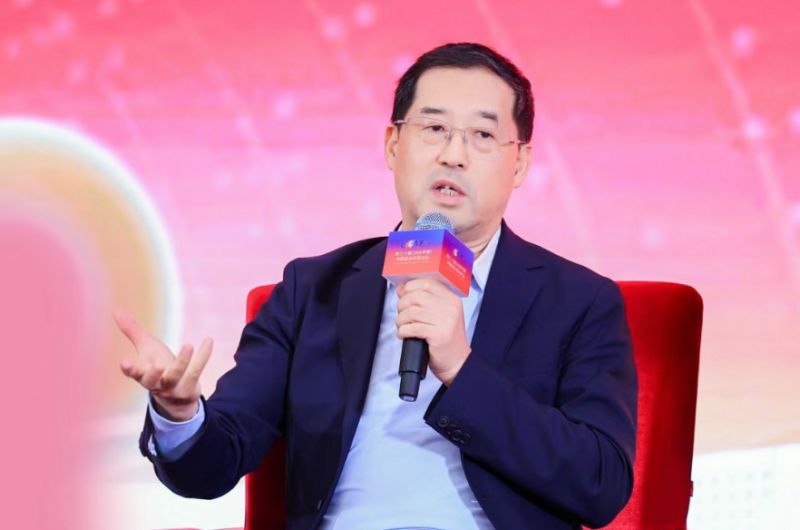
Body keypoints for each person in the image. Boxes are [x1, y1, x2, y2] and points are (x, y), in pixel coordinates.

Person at [115, 42, 638, 530]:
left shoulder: (578, 302)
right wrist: (179, 414)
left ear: (519, 162)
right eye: (434, 128)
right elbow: (213, 465)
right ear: (393, 144)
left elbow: (601, 484)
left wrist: (461, 370)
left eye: (482, 135)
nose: (453, 154)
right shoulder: (311, 291)